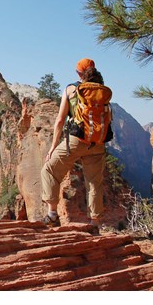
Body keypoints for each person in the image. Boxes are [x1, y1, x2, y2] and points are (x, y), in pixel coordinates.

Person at [40, 58, 111, 233]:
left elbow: (60, 120)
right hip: (98, 142)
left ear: (79, 73)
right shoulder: (102, 91)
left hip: (77, 139)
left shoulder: (71, 89)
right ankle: (95, 224)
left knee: (49, 170)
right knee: (94, 183)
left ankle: (52, 215)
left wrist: (52, 147)